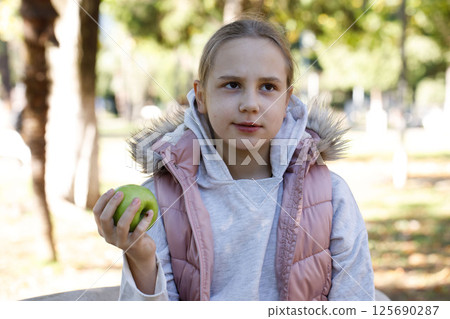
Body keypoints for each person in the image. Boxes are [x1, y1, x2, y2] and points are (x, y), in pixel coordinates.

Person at [93, 17, 375, 301]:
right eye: (231, 85)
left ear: (287, 100)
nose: (250, 105)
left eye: (268, 87)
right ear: (201, 96)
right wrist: (141, 260)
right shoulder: (162, 200)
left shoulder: (331, 197)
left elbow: (356, 302)